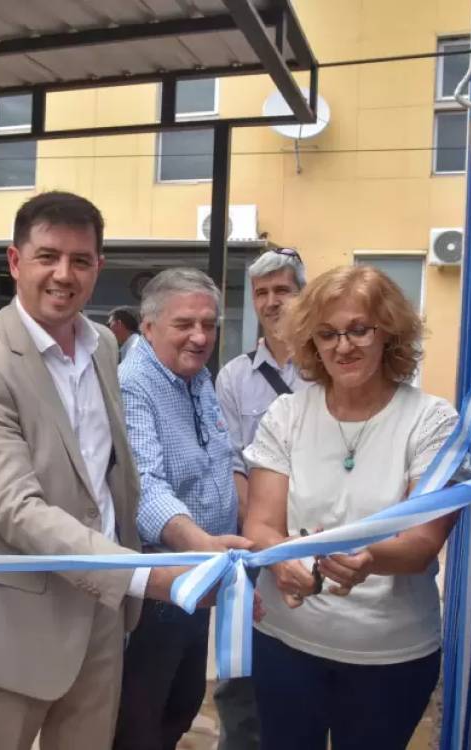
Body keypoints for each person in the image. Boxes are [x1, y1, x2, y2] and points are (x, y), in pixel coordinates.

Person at [0, 191, 191, 750]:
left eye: (80, 260)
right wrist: (146, 577)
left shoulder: (101, 344)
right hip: (13, 623)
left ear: (99, 266)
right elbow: (14, 507)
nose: (63, 274)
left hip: (102, 615)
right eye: (47, 256)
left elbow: (112, 475)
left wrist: (187, 539)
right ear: (14, 261)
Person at [243, 265, 458, 750]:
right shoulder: (287, 414)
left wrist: (369, 559)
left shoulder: (432, 421)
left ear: (389, 334)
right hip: (287, 645)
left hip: (390, 658)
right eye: (327, 334)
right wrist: (284, 560)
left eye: (359, 329)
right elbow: (260, 523)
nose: (343, 346)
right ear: (311, 343)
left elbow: (422, 542)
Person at [113, 268, 249, 750]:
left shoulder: (198, 376)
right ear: (149, 327)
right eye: (185, 323)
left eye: (209, 324)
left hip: (205, 576)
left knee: (184, 702)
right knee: (141, 718)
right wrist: (202, 544)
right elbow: (143, 487)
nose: (200, 336)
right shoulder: (133, 384)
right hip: (160, 586)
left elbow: (224, 457)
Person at [212, 247, 308, 750]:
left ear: (303, 294)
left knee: (305, 663)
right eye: (262, 293)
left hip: (316, 541)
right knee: (241, 670)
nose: (272, 302)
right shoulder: (233, 376)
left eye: (282, 290)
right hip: (251, 546)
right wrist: (260, 541)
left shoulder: (328, 368)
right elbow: (230, 461)